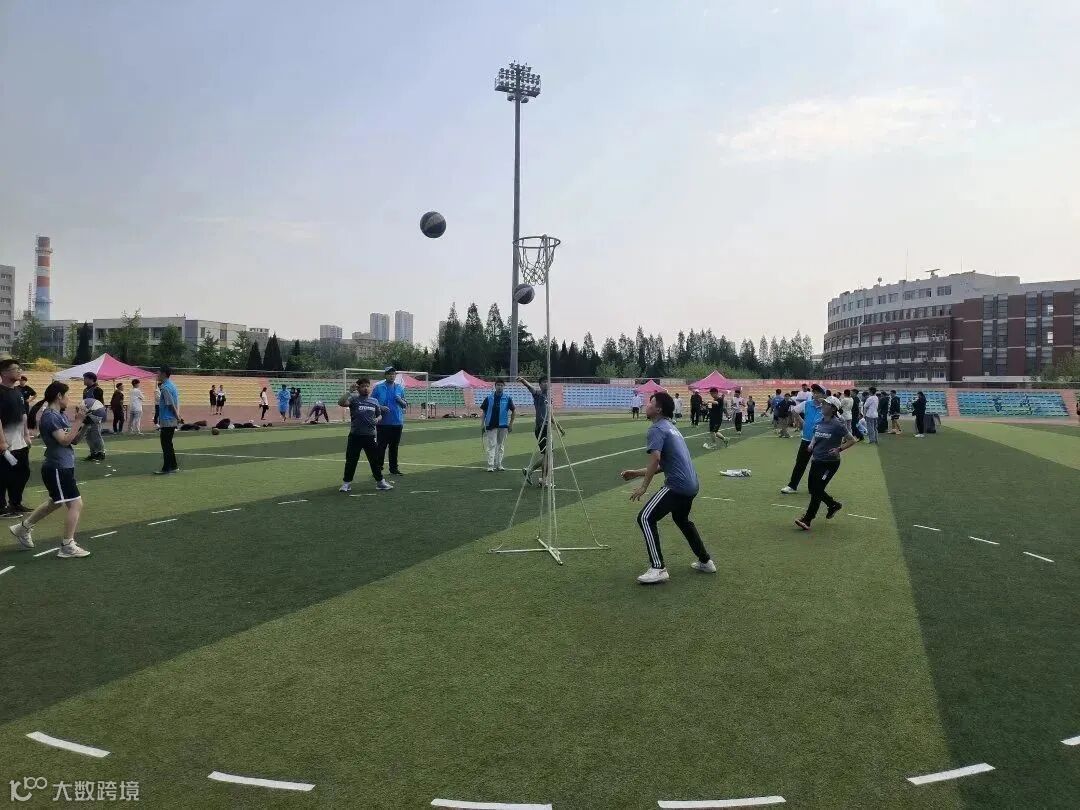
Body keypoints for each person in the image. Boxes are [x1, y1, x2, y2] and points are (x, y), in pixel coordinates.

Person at [621, 391, 715, 585]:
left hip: (677, 486)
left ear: (659, 409)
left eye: (651, 402)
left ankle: (658, 568)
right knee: (682, 520)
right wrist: (636, 473)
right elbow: (663, 465)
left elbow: (655, 459)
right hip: (691, 485)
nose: (647, 405)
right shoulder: (671, 427)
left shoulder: (656, 429)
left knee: (645, 517)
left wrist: (643, 487)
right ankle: (706, 561)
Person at [8, 382, 90, 557]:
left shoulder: (59, 415)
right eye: (67, 395)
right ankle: (67, 546)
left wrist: (86, 425)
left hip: (61, 466)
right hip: (58, 468)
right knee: (76, 504)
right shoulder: (50, 417)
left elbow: (73, 440)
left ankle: (22, 528)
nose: (69, 398)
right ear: (59, 396)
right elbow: (64, 441)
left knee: (56, 501)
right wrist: (78, 420)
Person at [794, 397, 856, 531]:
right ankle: (833, 505)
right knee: (813, 489)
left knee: (817, 490)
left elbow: (852, 440)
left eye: (825, 404)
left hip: (830, 463)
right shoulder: (819, 421)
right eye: (822, 403)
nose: (822, 405)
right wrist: (811, 444)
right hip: (817, 460)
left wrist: (839, 449)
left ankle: (807, 519)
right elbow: (816, 434)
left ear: (833, 409)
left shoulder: (838, 424)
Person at [338, 378, 392, 492]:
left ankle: (380, 482)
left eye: (367, 386)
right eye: (363, 386)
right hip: (355, 435)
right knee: (351, 460)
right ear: (358, 388)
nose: (366, 388)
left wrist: (377, 419)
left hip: (370, 436)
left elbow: (379, 415)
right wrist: (349, 392)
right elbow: (341, 403)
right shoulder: (354, 399)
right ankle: (346, 483)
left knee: (374, 460)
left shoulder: (374, 401)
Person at [518, 375, 565, 486]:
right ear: (540, 385)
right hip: (541, 428)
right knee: (548, 455)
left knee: (547, 455)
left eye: (547, 382)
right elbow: (530, 388)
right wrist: (523, 381)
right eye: (543, 382)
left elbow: (551, 415)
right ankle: (542, 479)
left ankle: (533, 473)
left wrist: (559, 427)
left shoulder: (549, 398)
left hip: (547, 428)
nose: (546, 384)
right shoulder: (538, 394)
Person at [780, 383, 826, 494]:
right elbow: (794, 411)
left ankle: (815, 488)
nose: (816, 394)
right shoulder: (807, 404)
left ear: (824, 395)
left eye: (818, 393)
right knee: (800, 464)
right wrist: (802, 422)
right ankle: (792, 486)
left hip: (821, 441)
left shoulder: (827, 406)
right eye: (814, 392)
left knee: (818, 466)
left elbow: (837, 419)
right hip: (806, 439)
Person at [0, 359, 32, 516]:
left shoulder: (18, 392)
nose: (19, 371)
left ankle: (15, 503)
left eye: (20, 368)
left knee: (22, 473)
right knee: (3, 475)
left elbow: (23, 415)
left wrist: (26, 435)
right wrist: (1, 442)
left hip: (20, 443)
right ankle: (1, 507)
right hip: (5, 442)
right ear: (4, 373)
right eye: (15, 369)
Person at [372, 366, 408, 477]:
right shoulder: (378, 388)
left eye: (393, 374)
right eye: (389, 374)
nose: (391, 376)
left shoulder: (399, 388)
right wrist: (381, 407)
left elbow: (405, 404)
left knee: (394, 447)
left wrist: (400, 400)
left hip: (397, 422)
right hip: (383, 423)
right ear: (385, 375)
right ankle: (378, 468)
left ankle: (394, 469)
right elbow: (372, 403)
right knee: (381, 446)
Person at [480, 380, 516, 472]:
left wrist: (511, 424)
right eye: (498, 385)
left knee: (501, 445)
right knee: (492, 445)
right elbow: (484, 412)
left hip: (503, 425)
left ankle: (499, 464)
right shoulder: (489, 398)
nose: (500, 387)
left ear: (504, 387)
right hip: (491, 425)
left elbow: (513, 411)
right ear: (495, 386)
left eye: (501, 385)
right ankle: (490, 465)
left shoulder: (507, 398)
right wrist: (482, 424)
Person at [154, 366, 181, 475]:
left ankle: (166, 468)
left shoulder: (165, 387)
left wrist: (177, 417)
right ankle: (174, 466)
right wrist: (177, 416)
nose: (157, 375)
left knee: (166, 445)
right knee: (169, 444)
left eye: (158, 373)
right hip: (170, 419)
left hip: (167, 420)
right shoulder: (172, 385)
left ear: (164, 374)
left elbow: (170, 404)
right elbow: (176, 402)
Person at [81, 372, 106, 461]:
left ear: (91, 379)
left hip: (95, 415)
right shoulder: (85, 390)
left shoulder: (97, 390)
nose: (84, 380)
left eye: (85, 378)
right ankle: (93, 452)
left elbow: (99, 404)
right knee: (88, 435)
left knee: (96, 434)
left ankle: (101, 452)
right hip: (87, 415)